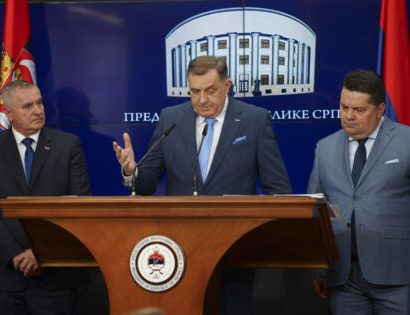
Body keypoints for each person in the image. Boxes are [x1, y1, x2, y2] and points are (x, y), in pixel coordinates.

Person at [113, 56, 292, 314]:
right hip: (178, 247)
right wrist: (132, 171)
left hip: (235, 248)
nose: (202, 100)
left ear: (227, 85)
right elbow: (147, 182)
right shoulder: (170, 118)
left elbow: (278, 188)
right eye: (194, 91)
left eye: (210, 90)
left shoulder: (254, 120)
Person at [308, 70, 410, 314]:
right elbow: (316, 211)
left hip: (398, 275)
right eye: (344, 107)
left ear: (380, 109)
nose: (348, 116)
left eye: (359, 110)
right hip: (344, 277)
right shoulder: (325, 147)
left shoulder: (406, 141)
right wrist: (319, 269)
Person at [0, 80, 91, 315]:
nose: (38, 110)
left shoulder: (68, 145)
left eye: (40, 102)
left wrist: (40, 252)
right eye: (27, 106)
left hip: (55, 277)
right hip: (5, 277)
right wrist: (15, 254)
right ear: (8, 113)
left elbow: (77, 208)